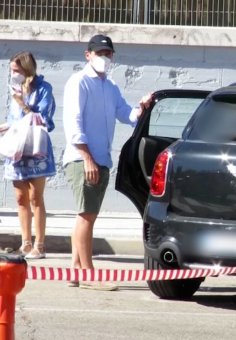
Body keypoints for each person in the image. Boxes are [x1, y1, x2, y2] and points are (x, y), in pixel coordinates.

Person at [62, 34, 153, 291]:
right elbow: (73, 123)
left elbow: (126, 114)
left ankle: (75, 271)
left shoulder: (110, 86)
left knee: (85, 216)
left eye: (108, 53)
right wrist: (87, 158)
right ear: (87, 54)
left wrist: (142, 107)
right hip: (83, 159)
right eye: (99, 52)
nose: (104, 57)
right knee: (87, 216)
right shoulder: (78, 82)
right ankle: (89, 274)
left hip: (100, 159)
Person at [1, 51, 56, 259]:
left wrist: (22, 103)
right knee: (21, 198)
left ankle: (39, 244)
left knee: (36, 196)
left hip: (35, 147)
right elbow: (15, 120)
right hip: (17, 148)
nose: (13, 74)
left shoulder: (44, 89)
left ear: (26, 69)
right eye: (11, 70)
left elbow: (43, 119)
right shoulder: (15, 89)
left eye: (16, 70)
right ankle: (25, 242)